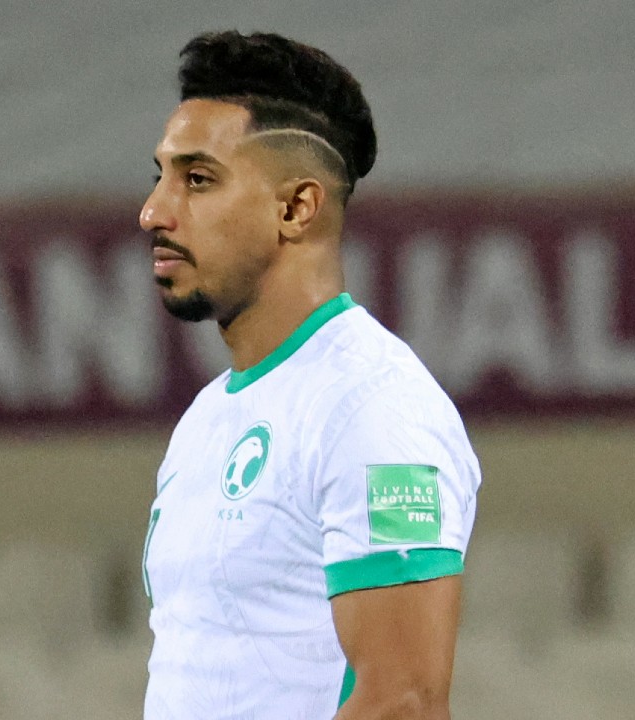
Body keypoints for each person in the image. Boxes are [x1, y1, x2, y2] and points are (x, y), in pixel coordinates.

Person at [138, 30, 481, 720]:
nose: (153, 212)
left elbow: (403, 704)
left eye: (197, 179)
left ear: (296, 208)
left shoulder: (374, 409)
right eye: (160, 176)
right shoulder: (207, 419)